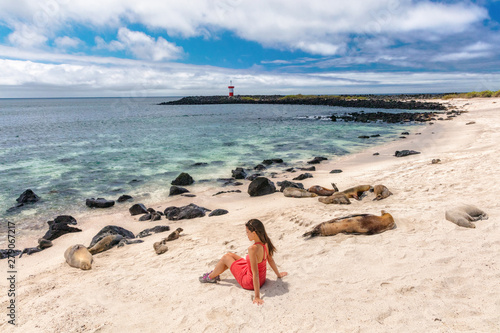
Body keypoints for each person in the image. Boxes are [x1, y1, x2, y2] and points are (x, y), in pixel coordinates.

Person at [199, 219, 288, 305]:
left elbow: (255, 274)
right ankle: (215, 274)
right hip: (261, 278)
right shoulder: (265, 243)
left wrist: (257, 296)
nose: (246, 235)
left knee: (226, 257)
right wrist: (278, 275)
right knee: (230, 255)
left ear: (254, 233)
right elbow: (270, 260)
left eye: (247, 232)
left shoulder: (253, 249)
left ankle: (210, 277)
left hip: (249, 282)